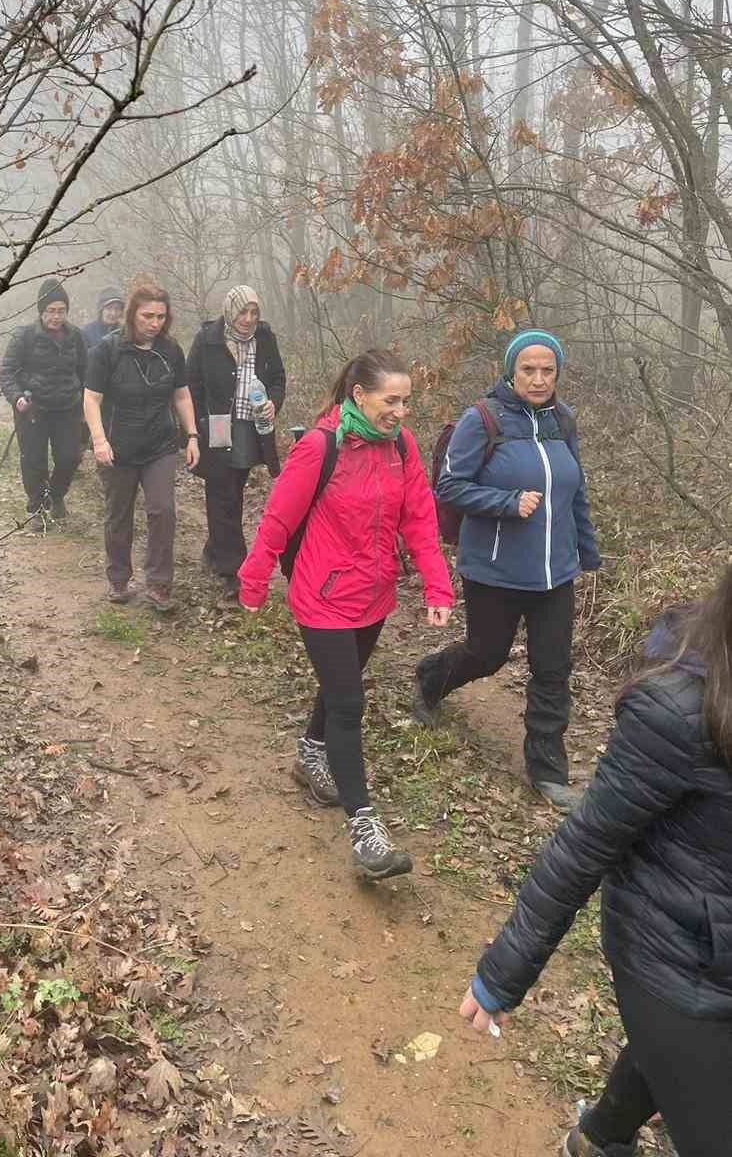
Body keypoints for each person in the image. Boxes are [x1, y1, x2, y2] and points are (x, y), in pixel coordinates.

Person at [459, 568, 732, 1157]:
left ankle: (598, 1138)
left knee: (681, 1055)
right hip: (676, 953)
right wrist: (503, 973)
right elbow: (584, 847)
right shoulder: (678, 709)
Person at [239, 349, 454, 881]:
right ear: (359, 395)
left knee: (341, 686)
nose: (401, 411)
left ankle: (310, 753)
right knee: (348, 701)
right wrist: (254, 577)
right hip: (322, 594)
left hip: (374, 594)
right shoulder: (319, 448)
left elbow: (420, 517)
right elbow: (278, 519)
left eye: (406, 400)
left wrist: (437, 584)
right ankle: (365, 828)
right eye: (391, 400)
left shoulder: (400, 446)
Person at [414, 329, 601, 810]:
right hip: (494, 570)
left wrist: (587, 551)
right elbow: (450, 487)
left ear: (557, 374)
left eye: (548, 371)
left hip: (555, 572)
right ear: (511, 371)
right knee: (487, 655)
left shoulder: (563, 420)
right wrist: (506, 502)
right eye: (528, 370)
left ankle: (548, 771)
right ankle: (431, 679)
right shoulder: (483, 419)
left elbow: (574, 490)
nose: (539, 379)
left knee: (553, 669)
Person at [83, 284, 198, 611]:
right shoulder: (106, 351)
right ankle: (119, 579)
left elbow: (182, 394)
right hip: (117, 447)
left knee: (163, 510)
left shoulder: (171, 349)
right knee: (118, 514)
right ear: (132, 313)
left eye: (161, 316)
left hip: (159, 444)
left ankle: (159, 585)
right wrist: (99, 440)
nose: (155, 322)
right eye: (148, 315)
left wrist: (192, 436)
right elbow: (91, 398)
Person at [187, 285, 286, 599]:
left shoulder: (265, 338)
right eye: (243, 312)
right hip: (216, 425)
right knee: (222, 490)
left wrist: (273, 401)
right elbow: (191, 385)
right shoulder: (207, 339)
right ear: (230, 311)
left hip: (251, 425)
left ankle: (215, 549)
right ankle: (232, 570)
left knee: (233, 490)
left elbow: (278, 378)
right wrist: (198, 425)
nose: (248, 318)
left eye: (254, 312)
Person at [0, 277, 87, 527]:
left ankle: (56, 495)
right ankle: (37, 507)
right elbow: (7, 372)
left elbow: (85, 372)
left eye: (61, 311)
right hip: (33, 409)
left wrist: (86, 403)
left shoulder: (76, 336)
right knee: (33, 460)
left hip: (68, 408)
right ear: (41, 311)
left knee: (69, 457)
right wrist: (16, 398)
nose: (56, 316)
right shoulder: (24, 336)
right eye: (51, 311)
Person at [82, 286, 125, 350]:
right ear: (101, 309)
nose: (113, 313)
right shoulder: (87, 332)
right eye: (109, 308)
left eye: (117, 309)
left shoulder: (125, 332)